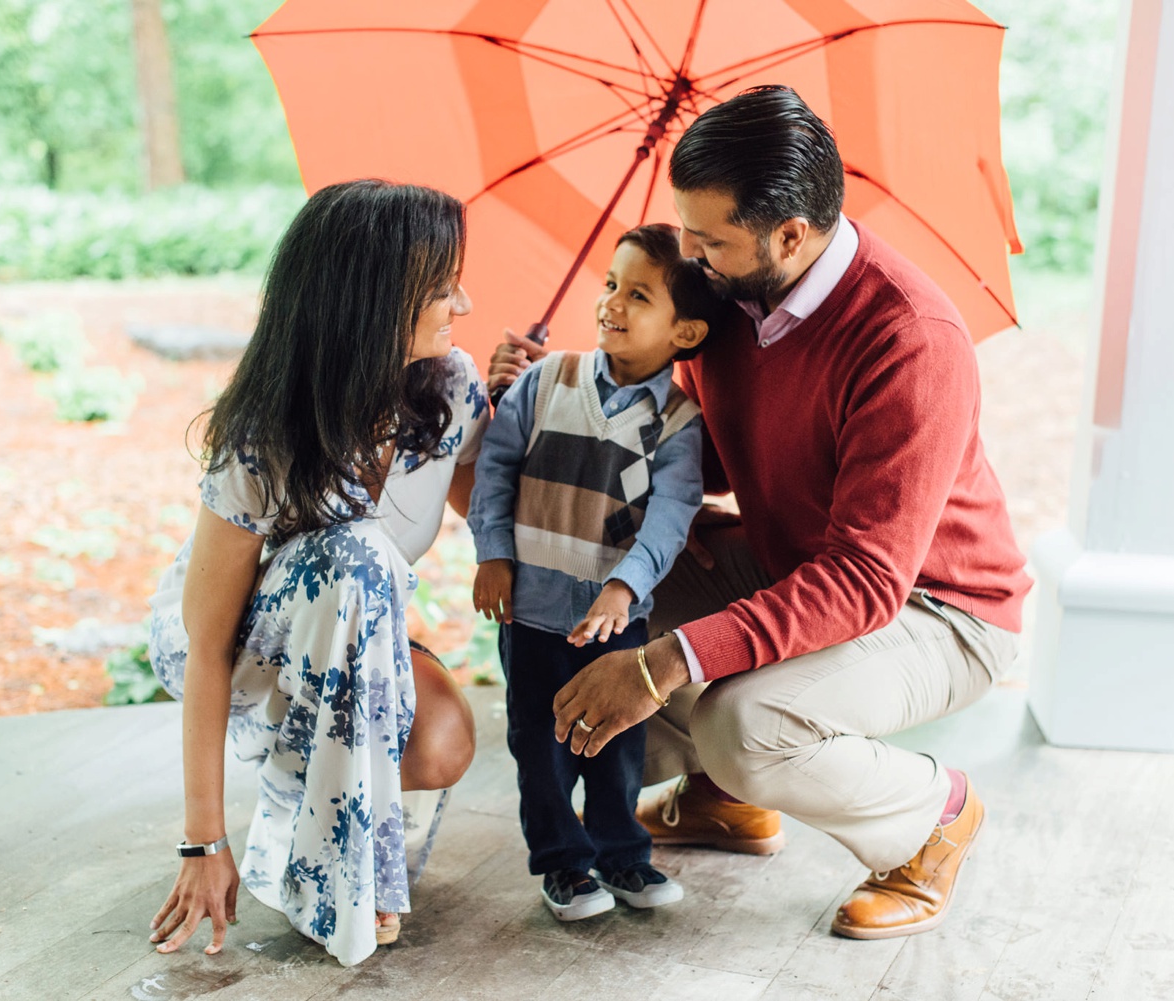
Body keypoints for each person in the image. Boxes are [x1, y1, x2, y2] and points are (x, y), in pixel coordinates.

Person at [488, 85, 1032, 940]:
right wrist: (549, 401)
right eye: (688, 233)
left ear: (790, 235)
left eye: (711, 241)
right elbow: (683, 459)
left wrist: (666, 661)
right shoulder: (729, 299)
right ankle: (725, 798)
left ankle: (932, 820)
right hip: (787, 559)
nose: (691, 258)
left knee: (742, 722)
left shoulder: (910, 336)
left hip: (936, 606)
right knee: (575, 609)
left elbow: (863, 579)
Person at [145, 179, 491, 966]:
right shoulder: (267, 429)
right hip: (235, 645)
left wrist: (537, 392)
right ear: (376, 300)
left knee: (438, 743)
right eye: (443, 287)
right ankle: (334, 869)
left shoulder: (453, 388)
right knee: (358, 550)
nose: (463, 302)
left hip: (351, 632)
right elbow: (205, 646)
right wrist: (201, 840)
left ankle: (308, 810)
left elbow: (495, 504)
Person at [468, 224, 722, 921]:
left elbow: (671, 517)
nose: (611, 302)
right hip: (533, 611)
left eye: (638, 294)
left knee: (615, 744)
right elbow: (495, 469)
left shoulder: (677, 424)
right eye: (611, 283)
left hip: (615, 624)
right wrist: (493, 551)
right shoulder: (546, 382)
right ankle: (563, 865)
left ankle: (622, 854)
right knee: (539, 745)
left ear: (687, 333)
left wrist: (625, 585)